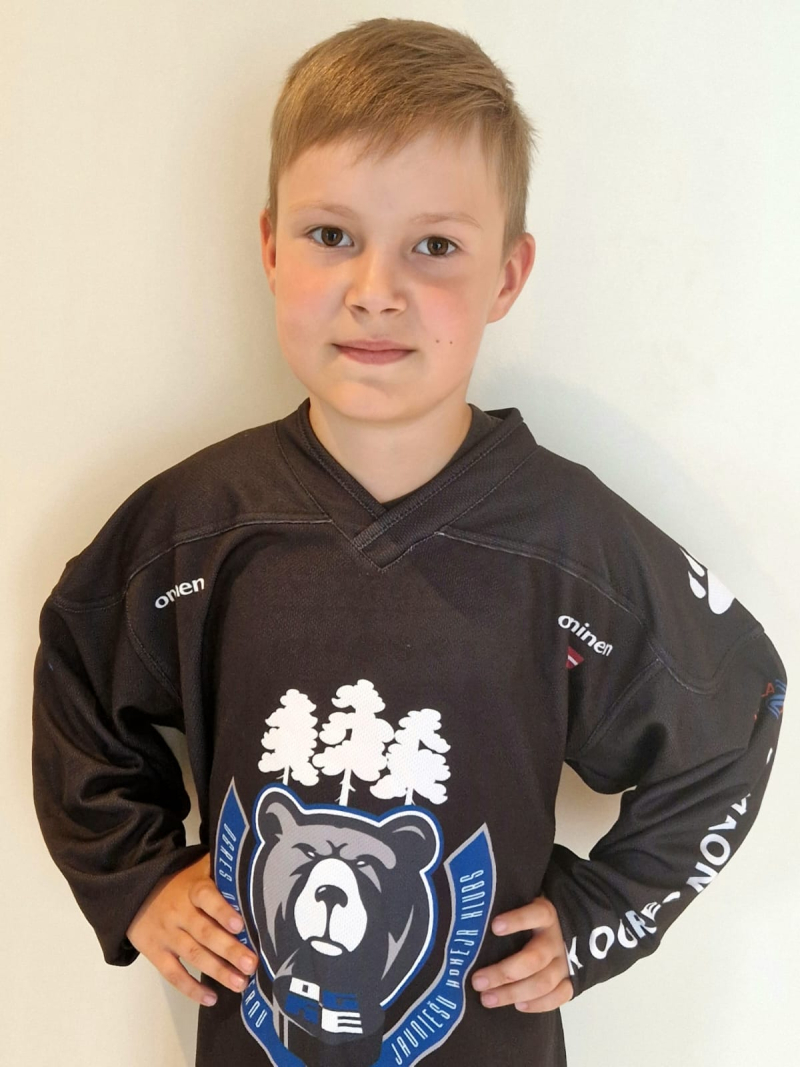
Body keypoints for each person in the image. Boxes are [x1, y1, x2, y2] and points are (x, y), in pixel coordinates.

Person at [31, 16, 787, 1067]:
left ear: (507, 276)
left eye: (433, 246)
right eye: (331, 235)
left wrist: (604, 914)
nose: (375, 289)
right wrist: (140, 879)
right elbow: (76, 664)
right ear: (270, 248)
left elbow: (738, 705)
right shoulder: (196, 528)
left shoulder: (568, 544)